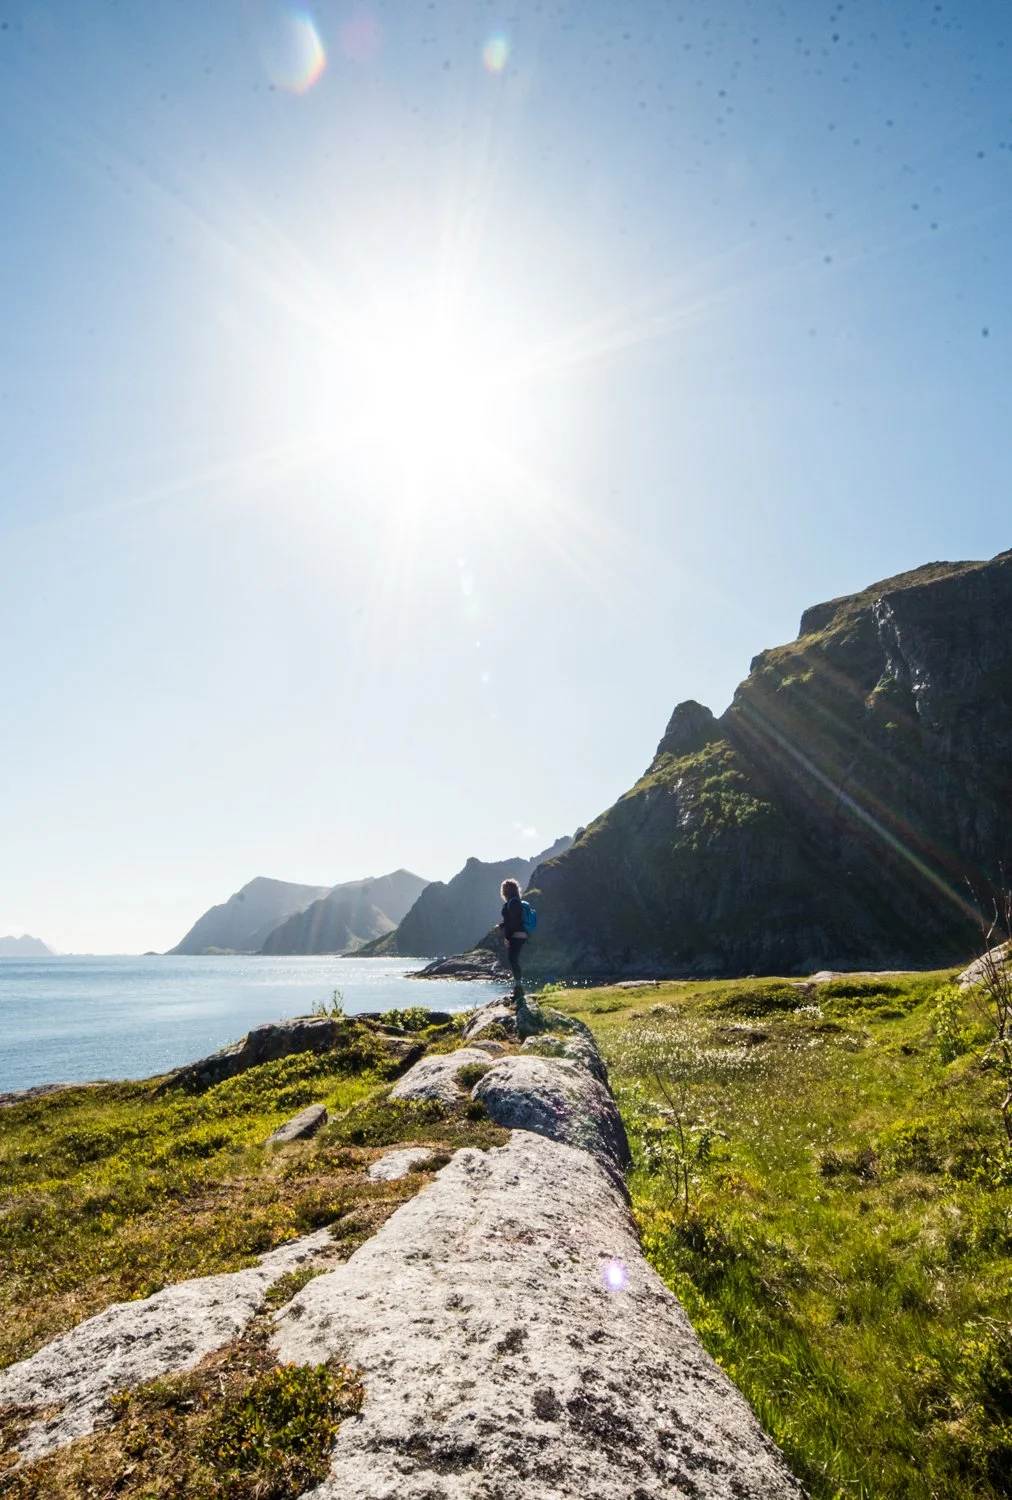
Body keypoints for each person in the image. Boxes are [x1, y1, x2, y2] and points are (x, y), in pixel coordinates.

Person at [498, 878, 527, 998]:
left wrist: (507, 937)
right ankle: (517, 987)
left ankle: (518, 988)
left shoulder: (513, 902)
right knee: (513, 960)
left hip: (516, 935)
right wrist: (501, 926)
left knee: (512, 959)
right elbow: (509, 920)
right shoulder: (514, 901)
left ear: (505, 891)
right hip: (520, 934)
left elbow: (513, 922)